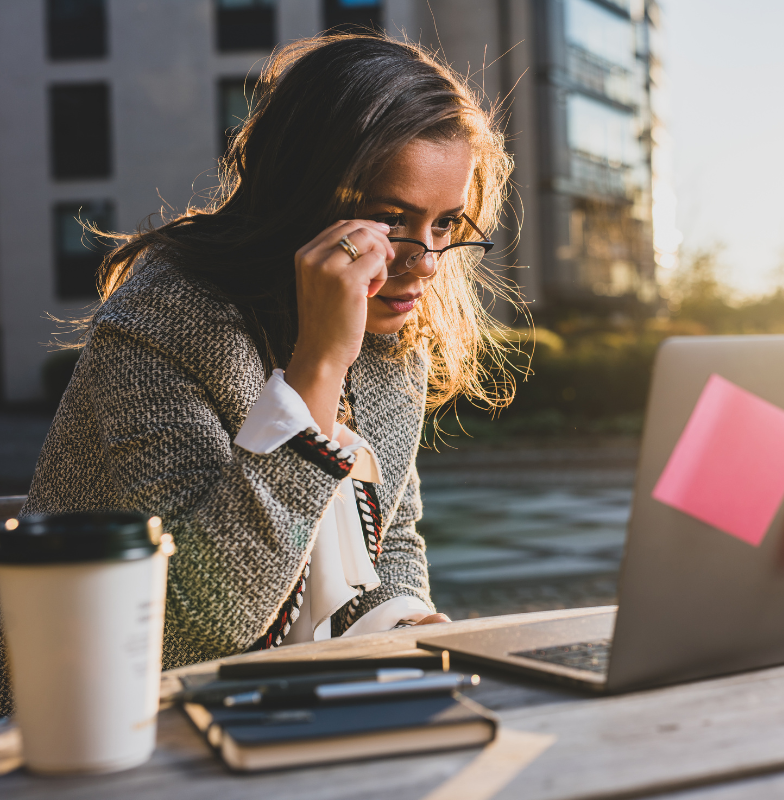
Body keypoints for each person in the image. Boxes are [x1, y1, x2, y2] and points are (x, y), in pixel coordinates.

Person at [0, 34, 519, 716]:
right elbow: (192, 628)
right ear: (301, 197)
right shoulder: (161, 323)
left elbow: (387, 535)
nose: (424, 261)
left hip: (285, 708)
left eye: (446, 223)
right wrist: (319, 369)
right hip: (94, 724)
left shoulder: (395, 343)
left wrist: (410, 630)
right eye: (392, 221)